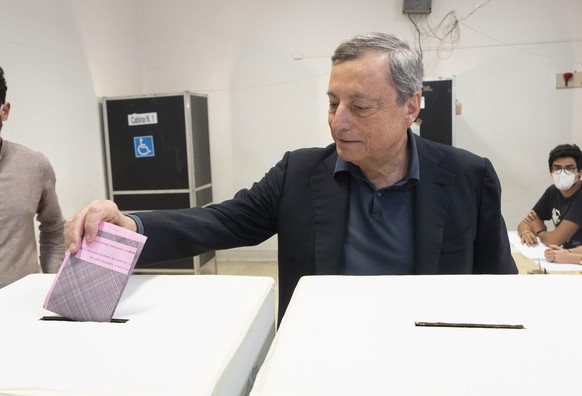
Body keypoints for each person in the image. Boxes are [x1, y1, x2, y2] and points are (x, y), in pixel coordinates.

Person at [65, 33, 517, 324]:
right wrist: (131, 225)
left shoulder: (466, 177)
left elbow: (499, 287)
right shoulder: (300, 173)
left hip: (428, 356)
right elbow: (219, 221)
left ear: (412, 107)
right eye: (332, 103)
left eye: (359, 107)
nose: (338, 122)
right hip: (318, 357)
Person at [0, 66, 65, 288]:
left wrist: (52, 286)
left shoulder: (34, 165)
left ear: (4, 111)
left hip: (21, 308)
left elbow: (54, 229)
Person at [517, 144, 582, 248]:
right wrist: (526, 233)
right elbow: (526, 223)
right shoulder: (552, 191)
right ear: (551, 171)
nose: (562, 173)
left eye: (569, 168)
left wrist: (540, 231)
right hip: (564, 256)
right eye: (557, 168)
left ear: (579, 172)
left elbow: (554, 240)